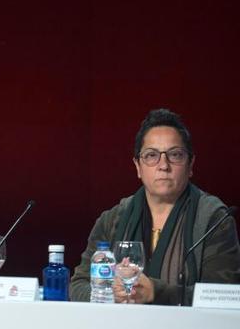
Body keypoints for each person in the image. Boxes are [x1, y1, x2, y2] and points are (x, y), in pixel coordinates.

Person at [69, 109, 240, 304]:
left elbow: (224, 297)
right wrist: (110, 294)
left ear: (191, 164)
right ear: (138, 167)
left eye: (175, 155)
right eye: (151, 155)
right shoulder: (112, 219)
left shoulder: (214, 219)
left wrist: (157, 293)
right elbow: (78, 285)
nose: (163, 165)